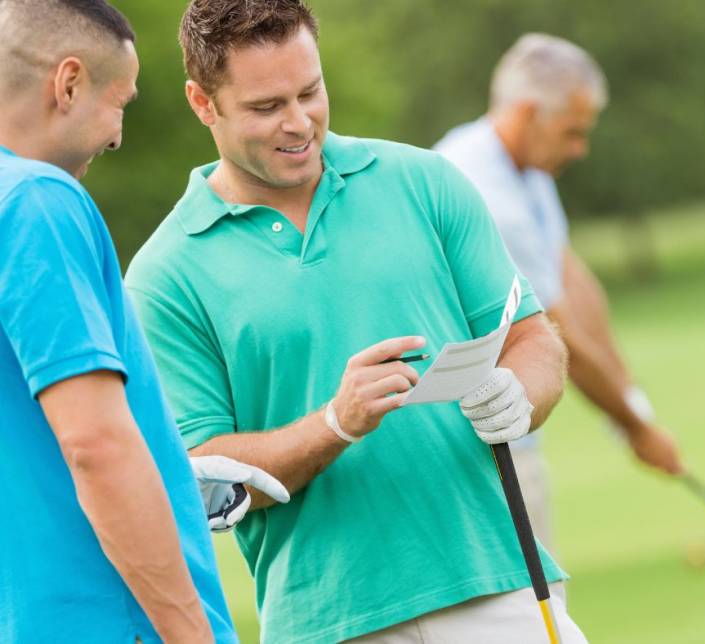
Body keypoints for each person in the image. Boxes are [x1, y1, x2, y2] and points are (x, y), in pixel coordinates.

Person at [124, 1, 590, 642]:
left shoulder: (425, 182)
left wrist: (521, 391)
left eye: (310, 92)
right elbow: (199, 472)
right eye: (266, 107)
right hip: (329, 621)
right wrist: (334, 424)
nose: (298, 123)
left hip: (500, 582)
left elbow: (531, 339)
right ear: (204, 104)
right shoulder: (163, 277)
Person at [0, 1, 288, 642]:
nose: (118, 134)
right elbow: (94, 445)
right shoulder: (37, 201)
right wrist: (190, 633)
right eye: (119, 103)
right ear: (68, 83)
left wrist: (169, 474)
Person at [434, 33, 684, 550]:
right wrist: (637, 429)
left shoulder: (525, 167)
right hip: (477, 447)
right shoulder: (486, 195)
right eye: (572, 133)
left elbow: (572, 278)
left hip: (506, 429)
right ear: (528, 114)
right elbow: (556, 331)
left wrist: (629, 395)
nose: (580, 149)